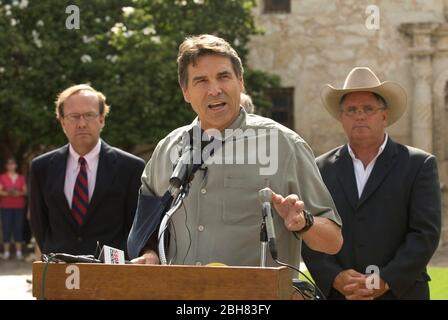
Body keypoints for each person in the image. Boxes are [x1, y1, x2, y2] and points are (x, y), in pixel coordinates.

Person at [129, 34, 342, 269]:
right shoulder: (166, 149)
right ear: (186, 92)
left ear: (241, 82)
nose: (214, 89)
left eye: (224, 77)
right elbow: (145, 229)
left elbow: (333, 241)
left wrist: (304, 222)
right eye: (201, 81)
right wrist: (149, 253)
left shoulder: (285, 145)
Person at [302, 67, 442, 300]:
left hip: (401, 293)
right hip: (340, 295)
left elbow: (425, 233)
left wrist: (384, 280)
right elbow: (308, 229)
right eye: (351, 110)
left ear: (384, 116)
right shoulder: (319, 168)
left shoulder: (419, 165)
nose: (360, 115)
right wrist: (335, 277)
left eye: (368, 109)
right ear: (342, 117)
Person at [29, 84, 145, 258]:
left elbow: (136, 227)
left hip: (111, 275)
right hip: (58, 272)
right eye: (74, 116)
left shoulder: (130, 167)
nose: (82, 123)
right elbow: (39, 225)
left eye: (89, 115)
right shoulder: (41, 168)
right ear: (62, 122)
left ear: (102, 120)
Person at [0, 158, 27, 260]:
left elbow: (25, 191)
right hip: (5, 207)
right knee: (6, 228)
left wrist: (17, 193)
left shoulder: (21, 178)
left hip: (19, 207)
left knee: (18, 228)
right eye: (9, 164)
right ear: (7, 166)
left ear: (15, 166)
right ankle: (6, 252)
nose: (11, 166)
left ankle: (19, 252)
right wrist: (9, 193)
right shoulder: (2, 177)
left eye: (13, 164)